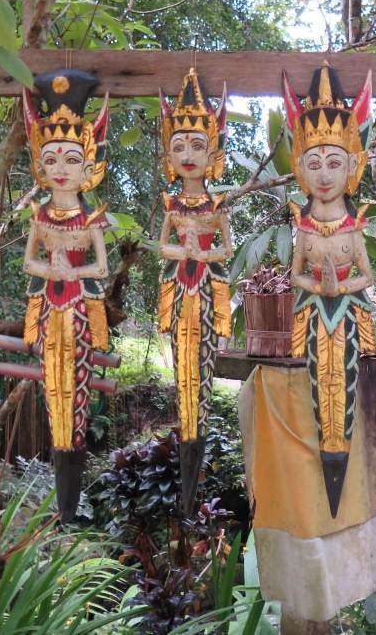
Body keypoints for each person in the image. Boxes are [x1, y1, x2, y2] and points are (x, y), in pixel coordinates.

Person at [283, 61, 376, 517]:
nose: (324, 176)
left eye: (334, 163)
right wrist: (319, 286)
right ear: (300, 168)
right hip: (317, 314)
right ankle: (328, 453)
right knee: (322, 386)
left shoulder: (353, 226)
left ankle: (339, 453)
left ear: (352, 167)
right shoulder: (302, 226)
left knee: (345, 386)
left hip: (346, 314)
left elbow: (367, 276)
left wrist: (341, 287)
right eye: (315, 164)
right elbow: (293, 275)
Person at [22, 68, 111, 524]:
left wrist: (71, 269)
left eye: (71, 160)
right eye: (52, 159)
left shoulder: (90, 217)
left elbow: (102, 267)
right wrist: (49, 268)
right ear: (40, 165)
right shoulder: (39, 214)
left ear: (88, 169)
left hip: (78, 306)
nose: (60, 169)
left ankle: (71, 482)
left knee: (76, 386)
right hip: (49, 306)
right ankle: (63, 495)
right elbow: (28, 262)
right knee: (52, 384)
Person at [156, 67, 233, 516]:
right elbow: (161, 245)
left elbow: (227, 248)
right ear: (168, 154)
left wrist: (201, 253)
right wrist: (180, 249)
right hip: (178, 288)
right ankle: (186, 436)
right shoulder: (171, 204)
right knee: (181, 367)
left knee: (201, 369)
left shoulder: (216, 204)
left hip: (205, 287)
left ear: (212, 154)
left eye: (197, 146)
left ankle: (196, 444)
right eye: (180, 146)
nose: (188, 154)